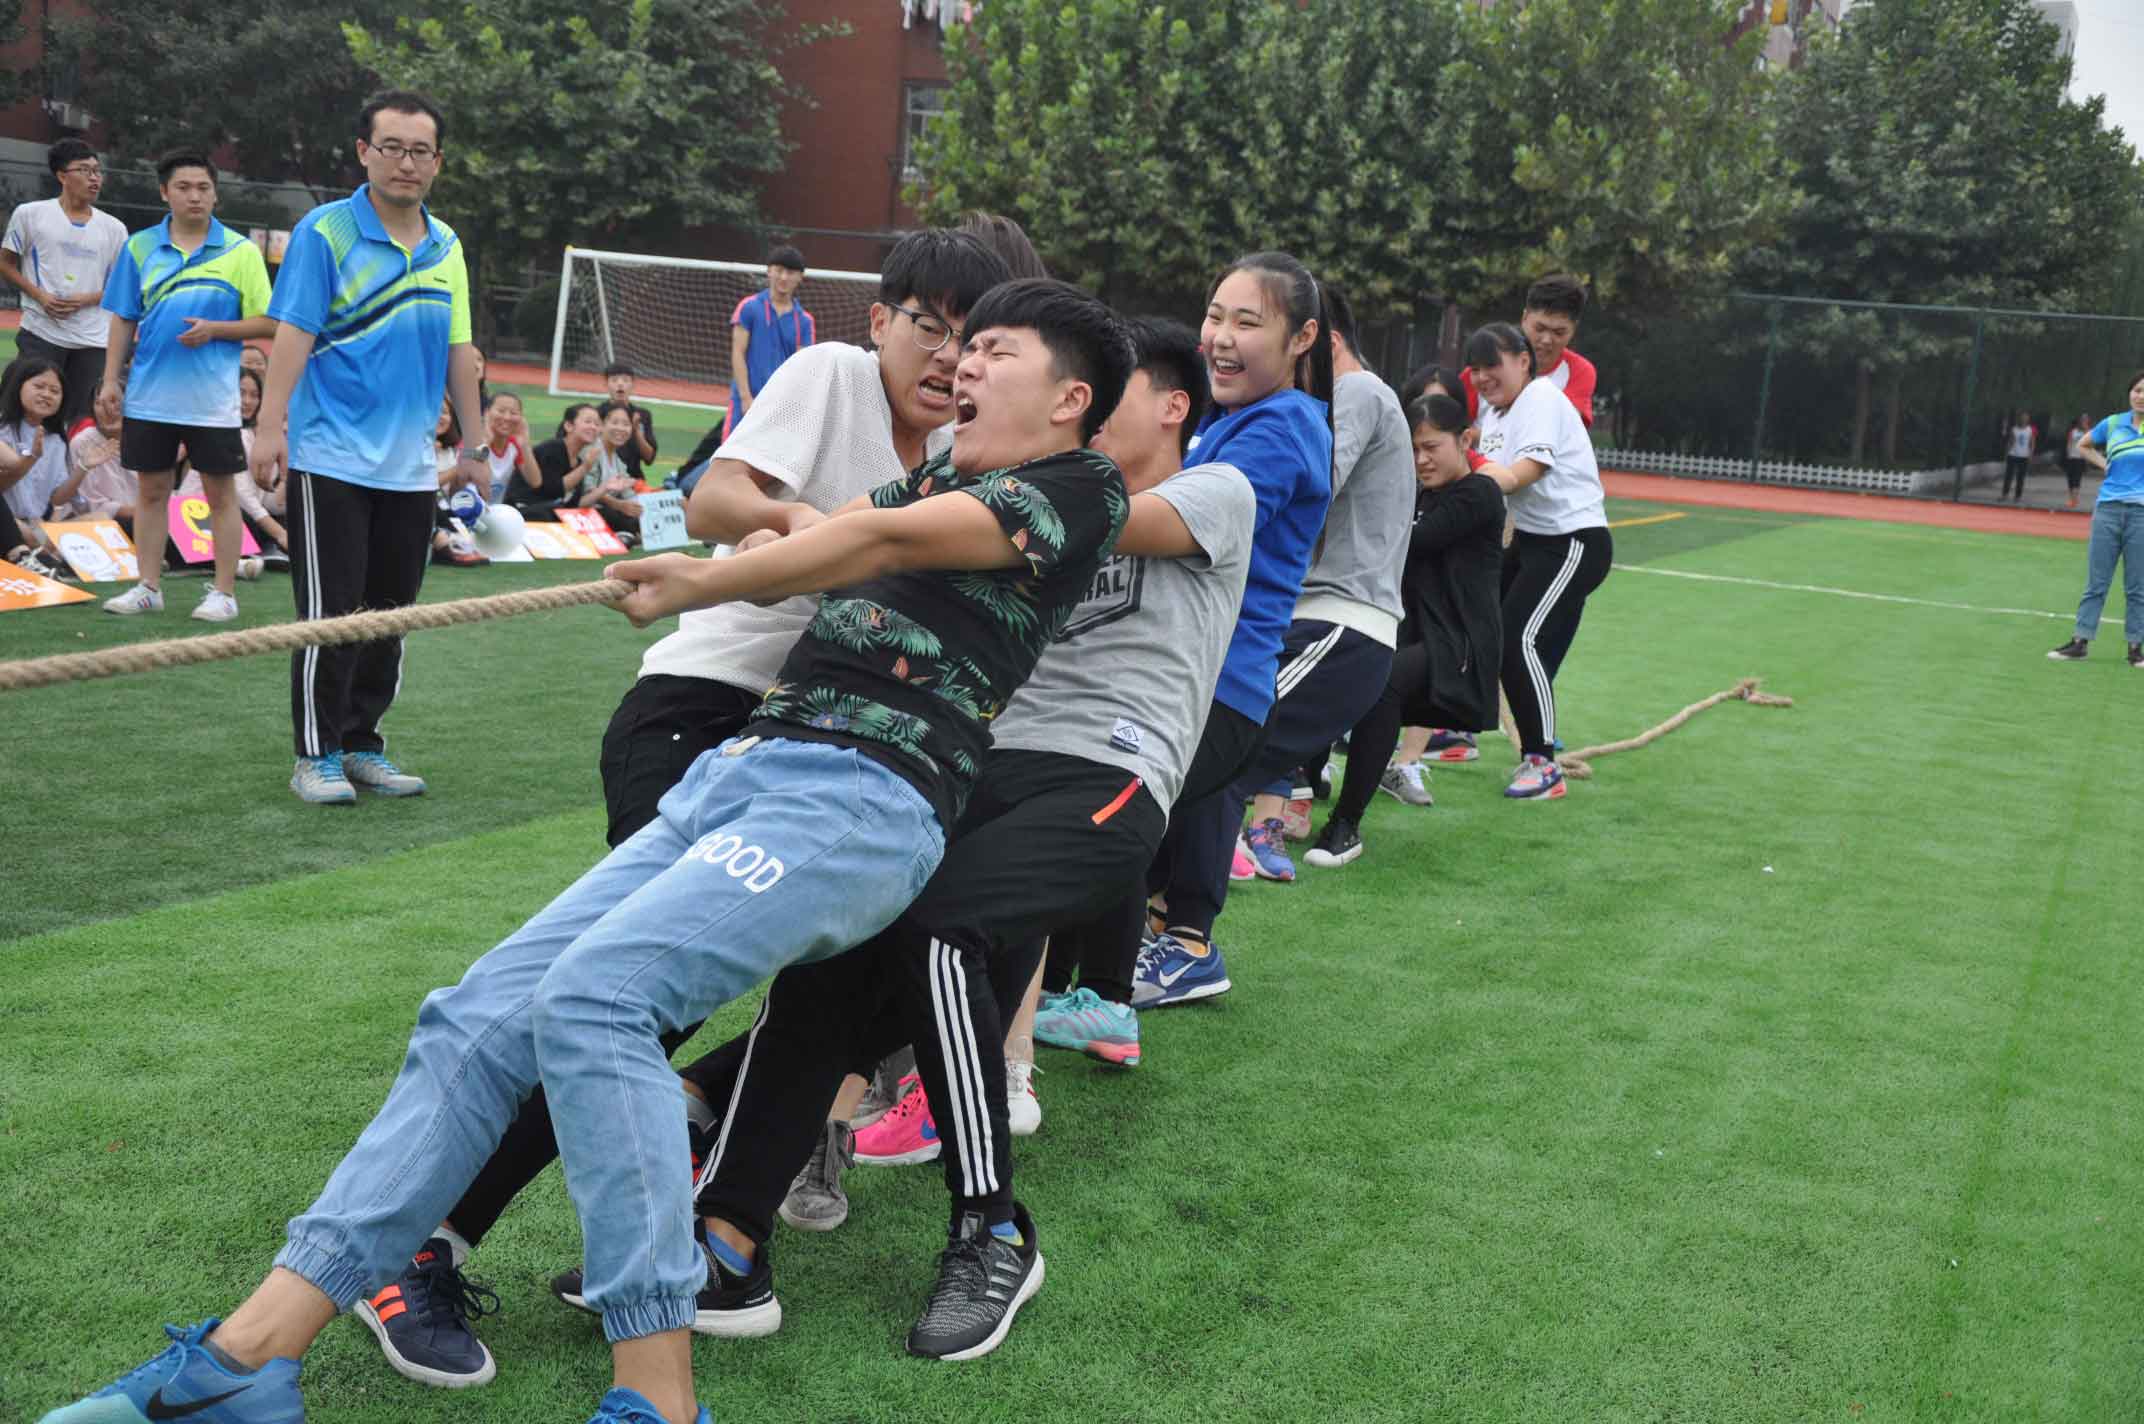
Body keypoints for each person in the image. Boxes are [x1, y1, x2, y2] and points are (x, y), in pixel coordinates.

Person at [39, 276, 1132, 1424]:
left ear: (1068, 397)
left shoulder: (1080, 487)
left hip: (864, 797)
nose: (964, 362)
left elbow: (873, 536)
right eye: (963, 341)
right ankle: (246, 1358)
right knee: (475, 1014)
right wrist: (693, 578)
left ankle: (656, 1397)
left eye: (994, 348)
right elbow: (839, 539)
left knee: (598, 1000)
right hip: (744, 769)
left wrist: (704, 572)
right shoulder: (941, 473)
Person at [341, 229, 1011, 1393]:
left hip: (835, 761)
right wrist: (827, 539)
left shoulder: (974, 459)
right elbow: (715, 495)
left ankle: (726, 1238)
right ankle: (421, 1244)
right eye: (930, 326)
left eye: (978, 340)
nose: (949, 358)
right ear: (880, 320)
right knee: (625, 994)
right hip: (704, 713)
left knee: (854, 969)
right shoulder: (831, 377)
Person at [644, 314, 1248, 1362]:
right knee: (837, 949)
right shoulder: (1019, 492)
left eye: (1108, 397)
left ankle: (992, 1232)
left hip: (1106, 775)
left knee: (935, 928)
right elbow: (884, 529)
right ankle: (728, 1241)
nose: (1092, 419)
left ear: (1168, 408)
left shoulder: (1197, 493)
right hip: (978, 763)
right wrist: (793, 532)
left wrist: (892, 519)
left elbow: (973, 525)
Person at [1111, 252, 1336, 1011]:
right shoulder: (1227, 419)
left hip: (1217, 684)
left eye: (1248, 322)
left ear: (1302, 338)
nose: (1222, 337)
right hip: (1186, 674)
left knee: (1096, 826)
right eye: (1214, 317)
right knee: (1117, 837)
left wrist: (1050, 510)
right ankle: (1123, 965)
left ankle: (1162, 957)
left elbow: (1183, 524)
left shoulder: (1285, 427)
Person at [251, 91, 489, 806]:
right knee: (331, 616)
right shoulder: (324, 234)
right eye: (391, 147)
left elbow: (460, 349)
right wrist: (270, 426)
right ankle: (315, 755)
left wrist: (475, 445)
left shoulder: (446, 245)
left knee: (391, 617)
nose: (405, 163)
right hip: (331, 459)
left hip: (411, 469)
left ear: (438, 162)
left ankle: (361, 744)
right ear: (363, 152)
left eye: (420, 151)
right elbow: (292, 335)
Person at [1215, 284, 1413, 886]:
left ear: (1316, 342)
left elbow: (1305, 484)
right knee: (1215, 763)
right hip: (1321, 620)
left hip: (1339, 621)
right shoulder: (1344, 398)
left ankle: (1184, 913)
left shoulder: (1356, 392)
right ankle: (1187, 909)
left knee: (1218, 752)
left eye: (1259, 330)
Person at [1305, 393, 1505, 867]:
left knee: (1383, 685)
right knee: (1334, 665)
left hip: (1458, 644)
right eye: (1413, 449)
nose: (1420, 460)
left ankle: (1345, 825)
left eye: (1431, 447)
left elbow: (1408, 541)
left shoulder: (1479, 494)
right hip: (1412, 632)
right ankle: (1304, 784)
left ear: (1466, 440)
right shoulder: (1417, 495)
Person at [96, 149, 276, 622]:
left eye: (203, 187)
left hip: (213, 402)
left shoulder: (240, 252)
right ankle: (147, 586)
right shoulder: (139, 248)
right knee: (151, 492)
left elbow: (270, 322)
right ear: (164, 192)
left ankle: (224, 593)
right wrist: (110, 379)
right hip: (149, 398)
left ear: (215, 194)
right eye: (183, 187)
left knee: (220, 495)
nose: (194, 196)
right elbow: (123, 317)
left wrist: (217, 330)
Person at [1468, 321, 1612, 802]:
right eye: (1475, 369)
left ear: (1523, 360)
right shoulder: (1495, 413)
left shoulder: (1541, 398)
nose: (1482, 377)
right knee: (1483, 625)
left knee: (1517, 637)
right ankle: (1452, 730)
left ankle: (1542, 762)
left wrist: (1468, 469)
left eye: (1492, 365)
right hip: (1532, 540)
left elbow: (1524, 473)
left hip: (1573, 540)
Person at [0, 137, 128, 430]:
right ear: (62, 176)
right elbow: (5, 263)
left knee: (84, 422)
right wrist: (40, 296)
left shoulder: (115, 229)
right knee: (27, 413)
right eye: (84, 170)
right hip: (41, 332)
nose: (94, 178)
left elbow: (122, 287)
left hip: (93, 340)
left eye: (97, 171)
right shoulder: (30, 214)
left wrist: (87, 299)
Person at [2048, 370, 2144, 668]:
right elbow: (2083, 446)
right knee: (2096, 582)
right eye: (2137, 390)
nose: (2141, 396)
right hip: (2108, 510)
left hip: (2141, 514)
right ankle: (2080, 642)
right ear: (2130, 393)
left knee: (2137, 586)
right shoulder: (2113, 423)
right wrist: (2104, 463)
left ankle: (2136, 649)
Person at [1462, 273, 1597, 429]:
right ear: (1525, 317)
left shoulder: (1579, 371)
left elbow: (1563, 429)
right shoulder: (1481, 368)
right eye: (1539, 328)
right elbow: (1450, 426)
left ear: (1573, 329)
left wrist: (1485, 437)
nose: (1546, 340)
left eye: (1559, 333)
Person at [725, 244, 813, 439]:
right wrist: (745, 398)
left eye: (790, 272)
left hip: (780, 410)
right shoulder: (749, 307)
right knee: (730, 456)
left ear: (800, 277)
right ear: (769, 271)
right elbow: (738, 353)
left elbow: (803, 368)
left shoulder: (804, 321)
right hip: (745, 403)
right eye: (779, 270)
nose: (784, 277)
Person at [0, 357, 82, 562]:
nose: (46, 394)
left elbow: (56, 499)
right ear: (18, 387)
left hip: (38, 524)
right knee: (31, 536)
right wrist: (29, 461)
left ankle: (46, 552)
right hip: (10, 523)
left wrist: (84, 467)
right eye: (39, 386)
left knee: (101, 519)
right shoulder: (4, 430)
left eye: (55, 391)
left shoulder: (56, 441)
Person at [512, 405, 602, 519]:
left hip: (547, 512)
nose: (593, 427)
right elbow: (553, 490)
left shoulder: (579, 462)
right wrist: (585, 468)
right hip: (522, 509)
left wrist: (604, 488)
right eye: (588, 421)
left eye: (597, 424)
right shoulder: (552, 449)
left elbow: (573, 504)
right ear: (568, 426)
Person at [575, 403, 643, 539]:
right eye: (615, 422)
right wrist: (617, 504)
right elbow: (588, 489)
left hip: (607, 511)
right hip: (584, 509)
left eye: (626, 424)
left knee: (640, 516)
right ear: (601, 425)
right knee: (614, 516)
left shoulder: (619, 463)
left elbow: (628, 494)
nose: (620, 428)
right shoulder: (591, 451)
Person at [475, 390, 541, 503]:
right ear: (487, 413)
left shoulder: (514, 445)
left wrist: (525, 445)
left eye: (514, 413)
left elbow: (535, 482)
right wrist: (486, 442)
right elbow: (470, 469)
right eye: (501, 411)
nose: (507, 417)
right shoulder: (472, 439)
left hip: (495, 509)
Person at [603, 364, 660, 482]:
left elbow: (649, 458)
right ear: (606, 384)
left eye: (625, 380)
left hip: (634, 479)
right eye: (614, 380)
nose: (620, 384)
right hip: (604, 479)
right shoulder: (597, 414)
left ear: (633, 384)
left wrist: (636, 431)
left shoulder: (642, 415)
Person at [2002, 409, 2036, 503]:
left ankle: (2017, 496)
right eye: (2022, 417)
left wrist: (2031, 454)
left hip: (2024, 456)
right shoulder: (2014, 429)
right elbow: (2011, 441)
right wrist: (2006, 453)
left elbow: (2032, 443)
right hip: (2013, 455)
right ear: (2019, 418)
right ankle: (2005, 494)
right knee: (2008, 476)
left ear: (2028, 419)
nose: (2024, 419)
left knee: (2020, 477)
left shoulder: (2030, 430)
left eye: (2026, 417)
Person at [2063, 413, 2091, 510]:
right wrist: (2068, 453)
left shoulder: (2088, 432)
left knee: (2077, 478)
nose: (2083, 422)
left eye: (2086, 420)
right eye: (2082, 420)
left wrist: (2086, 429)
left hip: (2080, 458)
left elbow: (2090, 443)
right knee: (2070, 478)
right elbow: (2069, 442)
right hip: (2072, 457)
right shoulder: (2073, 431)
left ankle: (2074, 499)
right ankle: (2071, 498)